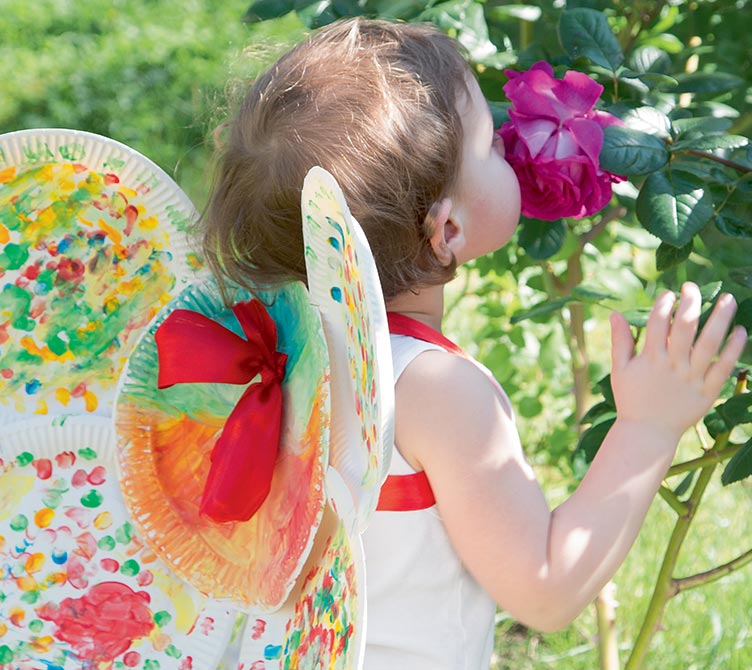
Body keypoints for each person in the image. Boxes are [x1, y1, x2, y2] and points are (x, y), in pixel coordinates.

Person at [200, 18, 748, 668]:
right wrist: (649, 427)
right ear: (448, 230)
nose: (509, 148)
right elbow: (545, 586)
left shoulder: (267, 355)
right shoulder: (438, 393)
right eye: (488, 147)